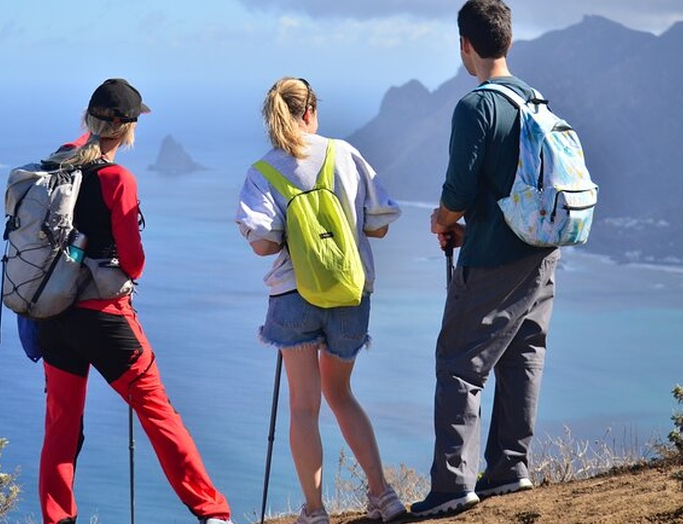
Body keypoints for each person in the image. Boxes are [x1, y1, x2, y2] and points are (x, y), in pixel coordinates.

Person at [35, 78, 234, 524]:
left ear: (88, 119)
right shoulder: (116, 178)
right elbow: (134, 262)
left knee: (62, 423)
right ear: (127, 128)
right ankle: (212, 511)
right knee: (158, 412)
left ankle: (57, 517)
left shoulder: (55, 165)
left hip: (50, 314)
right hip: (103, 318)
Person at [410, 0, 562, 517]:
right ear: (509, 42)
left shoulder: (476, 106)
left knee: (458, 364)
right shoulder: (533, 98)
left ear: (465, 46)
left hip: (495, 256)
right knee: (524, 355)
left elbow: (460, 187)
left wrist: (443, 218)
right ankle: (509, 468)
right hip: (542, 251)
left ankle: (452, 486)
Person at [235, 77, 405, 524]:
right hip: (350, 294)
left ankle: (314, 513)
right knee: (341, 393)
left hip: (293, 297)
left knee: (304, 406)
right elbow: (381, 224)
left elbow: (263, 245)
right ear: (310, 110)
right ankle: (383, 496)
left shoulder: (263, 171)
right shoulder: (344, 154)